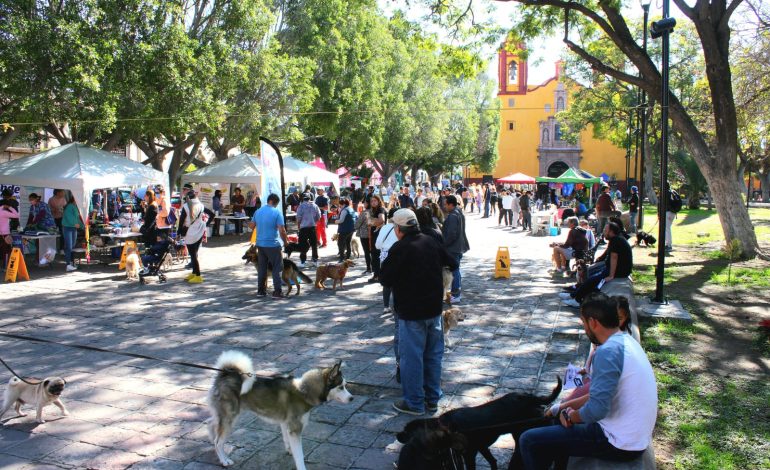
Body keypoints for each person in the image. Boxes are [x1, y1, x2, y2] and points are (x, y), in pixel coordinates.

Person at [513, 294, 657, 469]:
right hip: (632, 437)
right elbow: (597, 395)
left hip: (618, 442)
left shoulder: (607, 353)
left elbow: (597, 410)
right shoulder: (625, 341)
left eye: (583, 323)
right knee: (553, 426)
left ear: (593, 322)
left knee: (529, 440)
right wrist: (562, 408)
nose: (584, 328)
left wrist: (571, 416)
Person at [380, 209, 458, 415]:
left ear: (398, 228)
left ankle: (414, 403)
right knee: (433, 355)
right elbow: (454, 262)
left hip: (411, 312)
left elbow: (384, 279)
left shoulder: (400, 248)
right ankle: (432, 398)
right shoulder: (431, 241)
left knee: (412, 358)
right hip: (434, 310)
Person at [561, 222, 632, 308]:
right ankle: (573, 295)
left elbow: (614, 258)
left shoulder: (616, 241)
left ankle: (577, 300)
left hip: (620, 271)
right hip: (617, 268)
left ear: (611, 232)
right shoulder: (617, 239)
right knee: (591, 276)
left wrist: (611, 275)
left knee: (593, 280)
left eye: (605, 230)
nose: (603, 232)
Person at [249, 193, 289, 298]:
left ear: (268, 200)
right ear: (275, 202)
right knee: (277, 268)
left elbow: (251, 226)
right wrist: (285, 242)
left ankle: (261, 291)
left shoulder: (258, 211)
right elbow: (282, 230)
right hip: (272, 244)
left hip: (260, 244)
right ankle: (277, 291)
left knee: (262, 268)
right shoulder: (277, 212)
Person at [441, 195, 470, 303]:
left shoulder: (453, 216)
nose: (444, 206)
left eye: (446, 204)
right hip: (458, 246)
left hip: (453, 247)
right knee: (456, 270)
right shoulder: (459, 212)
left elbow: (451, 234)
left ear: (450, 204)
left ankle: (456, 294)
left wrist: (444, 244)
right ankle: (456, 292)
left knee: (454, 270)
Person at [179, 190, 206, 283]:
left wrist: (179, 232)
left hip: (190, 233)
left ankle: (198, 275)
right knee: (194, 254)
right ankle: (194, 273)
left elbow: (181, 220)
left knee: (193, 255)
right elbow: (212, 214)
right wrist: (205, 224)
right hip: (199, 231)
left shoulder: (186, 207)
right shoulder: (201, 205)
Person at [376, 208, 399, 316]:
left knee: (387, 283)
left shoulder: (385, 227)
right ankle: (397, 305)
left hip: (384, 256)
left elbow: (377, 245)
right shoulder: (400, 228)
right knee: (398, 282)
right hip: (398, 256)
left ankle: (386, 306)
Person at [366, 195, 387, 283]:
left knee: (376, 255)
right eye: (372, 201)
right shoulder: (373, 210)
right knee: (375, 255)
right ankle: (377, 275)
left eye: (375, 201)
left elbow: (382, 220)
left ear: (379, 201)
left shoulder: (380, 209)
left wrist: (372, 222)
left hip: (378, 236)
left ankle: (377, 276)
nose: (373, 202)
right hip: (375, 236)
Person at [295, 193, 320, 267]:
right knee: (314, 244)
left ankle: (303, 261)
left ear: (303, 199)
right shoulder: (315, 206)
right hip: (312, 227)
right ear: (310, 198)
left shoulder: (301, 206)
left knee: (303, 245)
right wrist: (314, 221)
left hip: (303, 228)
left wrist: (298, 226)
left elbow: (298, 218)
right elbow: (319, 216)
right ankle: (315, 260)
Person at [61, 194, 81, 272]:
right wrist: (74, 224)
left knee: (72, 246)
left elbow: (77, 218)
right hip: (67, 228)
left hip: (73, 228)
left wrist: (83, 226)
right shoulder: (69, 206)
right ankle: (68, 264)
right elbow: (68, 217)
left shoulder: (75, 207)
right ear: (74, 199)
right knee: (69, 246)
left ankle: (71, 263)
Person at [355, 202, 373, 273]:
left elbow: (357, 224)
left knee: (367, 252)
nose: (364, 204)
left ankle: (369, 268)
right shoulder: (375, 211)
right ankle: (374, 267)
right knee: (373, 252)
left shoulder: (365, 212)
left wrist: (355, 227)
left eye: (365, 203)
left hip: (365, 235)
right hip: (373, 234)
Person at [0, 201, 19, 269]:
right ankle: (6, 266)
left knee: (2, 250)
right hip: (4, 233)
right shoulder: (4, 212)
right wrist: (10, 208)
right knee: (7, 250)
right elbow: (17, 215)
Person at [664, 187, 682, 252]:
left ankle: (669, 245)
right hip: (673, 213)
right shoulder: (673, 192)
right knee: (667, 229)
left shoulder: (665, 192)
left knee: (667, 229)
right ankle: (667, 244)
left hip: (667, 212)